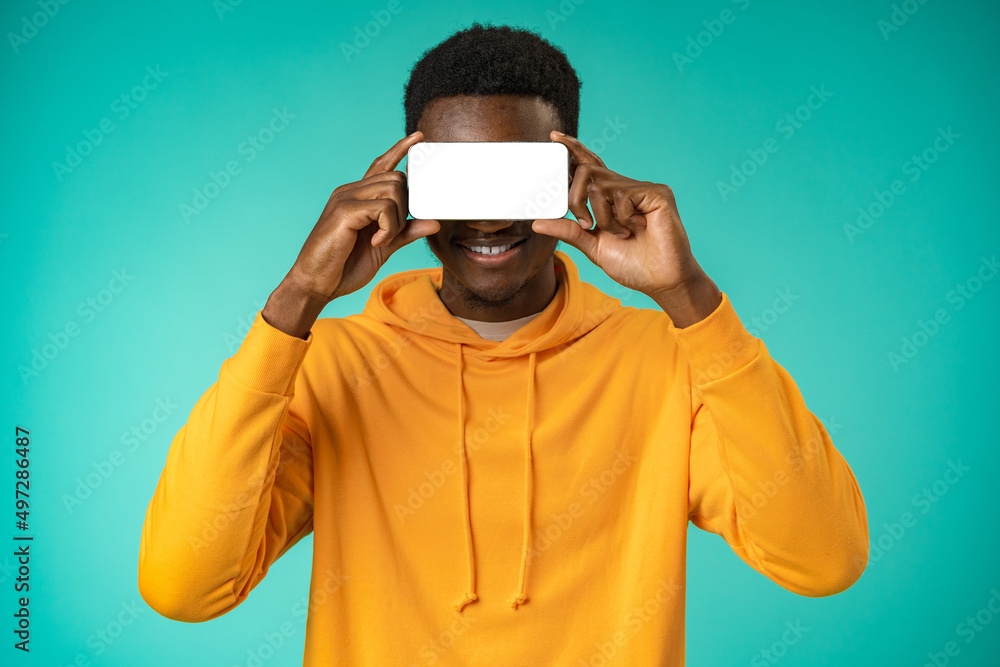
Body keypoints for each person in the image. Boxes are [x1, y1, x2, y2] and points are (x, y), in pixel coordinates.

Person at [138, 22, 868, 666]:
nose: (487, 217)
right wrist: (296, 298)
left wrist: (689, 298)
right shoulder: (331, 364)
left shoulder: (671, 358)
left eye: (516, 177)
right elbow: (183, 584)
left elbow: (825, 557)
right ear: (406, 187)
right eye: (458, 179)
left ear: (574, 176)